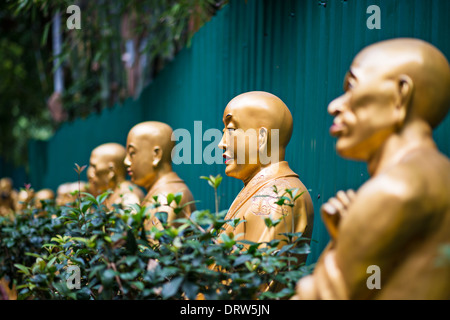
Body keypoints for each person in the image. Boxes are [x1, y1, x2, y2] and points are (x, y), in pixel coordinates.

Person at [293, 38, 450, 300]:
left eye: (351, 87)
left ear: (401, 94)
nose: (334, 106)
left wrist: (336, 250)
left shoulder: (393, 190)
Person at [218, 91, 314, 258]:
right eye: (224, 131)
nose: (222, 143)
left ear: (262, 138)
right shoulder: (262, 189)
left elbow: (253, 279)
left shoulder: (276, 197)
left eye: (231, 130)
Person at [124, 121, 196, 230]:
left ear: (156, 155)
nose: (126, 161)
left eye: (132, 153)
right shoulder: (162, 193)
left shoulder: (166, 198)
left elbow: (158, 244)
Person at [87, 142, 143, 210]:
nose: (89, 174)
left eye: (94, 167)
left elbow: (132, 218)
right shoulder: (114, 195)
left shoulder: (127, 197)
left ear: (111, 170)